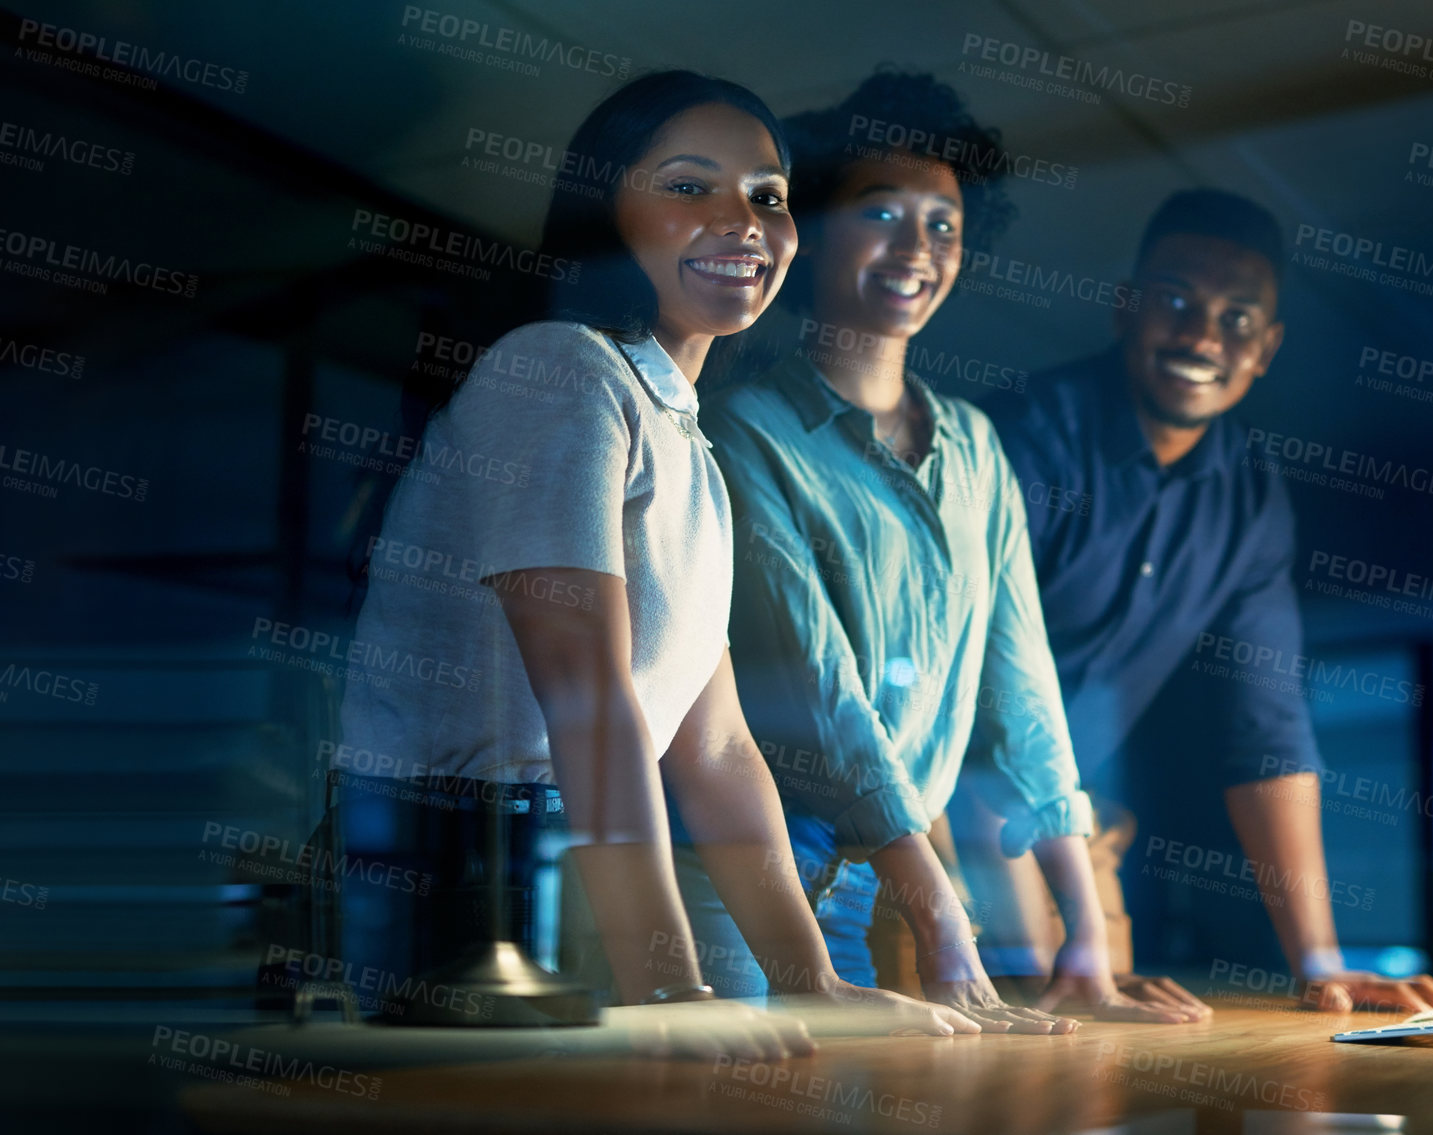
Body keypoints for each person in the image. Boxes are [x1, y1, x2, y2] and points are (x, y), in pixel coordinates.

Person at [328, 70, 979, 1055]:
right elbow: (588, 693)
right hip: (438, 894)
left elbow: (716, 750)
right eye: (688, 187)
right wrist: (669, 988)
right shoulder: (559, 369)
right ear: (604, 214)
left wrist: (813, 983)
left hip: (552, 883)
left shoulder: (691, 445)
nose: (744, 220)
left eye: (768, 196)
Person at [695, 71, 1211, 1030]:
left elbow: (1024, 693)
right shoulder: (741, 431)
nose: (915, 248)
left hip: (873, 888)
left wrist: (1086, 939)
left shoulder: (975, 444)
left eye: (943, 226)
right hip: (743, 886)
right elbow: (822, 696)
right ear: (811, 229)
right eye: (881, 212)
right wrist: (944, 921)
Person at [969, 188, 1433, 1013]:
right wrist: (1028, 958)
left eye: (1237, 318)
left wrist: (1319, 962)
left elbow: (1265, 732)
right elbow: (970, 694)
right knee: (950, 1083)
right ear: (1126, 307)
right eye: (1175, 302)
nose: (1202, 337)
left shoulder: (1250, 495)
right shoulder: (1022, 437)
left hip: (1077, 840)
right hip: (941, 829)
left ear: (1266, 348)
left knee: (1093, 1081)